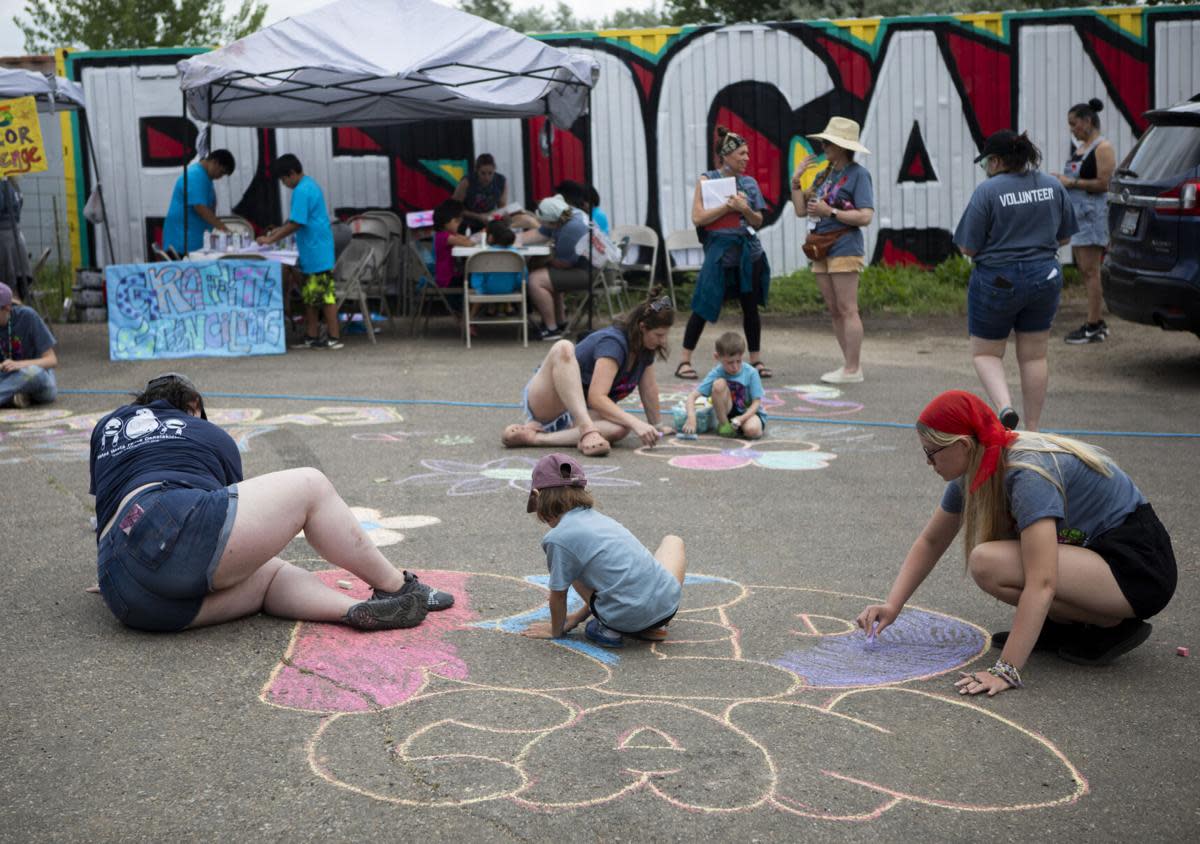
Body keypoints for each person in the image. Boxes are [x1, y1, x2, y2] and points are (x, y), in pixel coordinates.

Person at [857, 390, 1175, 697]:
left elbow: (1044, 581)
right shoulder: (979, 462)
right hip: (1097, 558)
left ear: (963, 445)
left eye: (931, 452)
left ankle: (1111, 624)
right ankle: (1065, 626)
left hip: (1137, 567)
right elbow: (931, 541)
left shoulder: (1027, 475)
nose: (928, 462)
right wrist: (893, 605)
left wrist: (1006, 669)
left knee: (987, 561)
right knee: (990, 561)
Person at [89, 372, 455, 633]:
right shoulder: (206, 432)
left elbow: (105, 507)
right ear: (193, 405)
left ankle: (356, 611)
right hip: (171, 527)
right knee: (311, 486)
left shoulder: (106, 429)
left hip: (126, 593)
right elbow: (227, 524)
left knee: (271, 577)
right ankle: (396, 586)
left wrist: (123, 568)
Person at [954, 130, 1078, 432]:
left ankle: (1005, 409)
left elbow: (968, 247)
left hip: (998, 279)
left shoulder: (988, 191)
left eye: (985, 163)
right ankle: (1033, 429)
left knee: (986, 352)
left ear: (996, 161)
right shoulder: (1052, 185)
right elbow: (1064, 236)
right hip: (1045, 276)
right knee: (1035, 355)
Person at [520, 452, 686, 648]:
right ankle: (650, 626)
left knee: (570, 566)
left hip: (623, 617)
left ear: (537, 497)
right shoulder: (600, 520)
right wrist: (577, 618)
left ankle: (610, 629)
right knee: (673, 541)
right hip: (667, 607)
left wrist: (555, 630)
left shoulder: (557, 539)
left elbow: (559, 594)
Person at [501, 290, 676, 457]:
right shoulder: (614, 344)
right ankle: (585, 430)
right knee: (563, 347)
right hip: (550, 400)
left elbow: (649, 389)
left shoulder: (645, 347)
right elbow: (597, 398)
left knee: (621, 427)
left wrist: (656, 425)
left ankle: (536, 438)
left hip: (579, 413)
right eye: (659, 335)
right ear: (642, 327)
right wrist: (636, 422)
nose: (663, 341)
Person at [675, 126, 772, 382]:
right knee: (703, 304)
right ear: (726, 156)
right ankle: (684, 360)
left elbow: (758, 220)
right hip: (719, 255)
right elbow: (698, 217)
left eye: (747, 153)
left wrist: (745, 209)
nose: (746, 158)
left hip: (748, 254)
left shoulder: (750, 183)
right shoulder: (707, 180)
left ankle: (756, 359)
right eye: (741, 153)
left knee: (750, 307)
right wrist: (727, 206)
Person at [790, 117, 875, 385]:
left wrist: (832, 212)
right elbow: (801, 210)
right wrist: (796, 183)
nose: (824, 145)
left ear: (842, 146)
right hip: (821, 246)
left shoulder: (859, 175)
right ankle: (847, 364)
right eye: (824, 141)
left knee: (848, 308)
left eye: (829, 142)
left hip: (844, 245)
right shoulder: (824, 172)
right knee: (834, 308)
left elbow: (865, 216)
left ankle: (853, 368)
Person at [257, 154, 343, 350]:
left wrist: (271, 239)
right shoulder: (307, 185)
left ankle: (333, 336)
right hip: (313, 249)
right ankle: (311, 335)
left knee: (325, 295)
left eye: (283, 179)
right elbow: (293, 220)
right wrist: (277, 232)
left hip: (317, 250)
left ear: (292, 174)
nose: (284, 183)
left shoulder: (301, 191)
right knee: (311, 296)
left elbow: (296, 223)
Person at [1051, 98, 1117, 345]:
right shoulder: (1082, 148)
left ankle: (1094, 325)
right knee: (1084, 270)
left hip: (1091, 217)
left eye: (1074, 124)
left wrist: (1071, 183)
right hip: (1077, 218)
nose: (1072, 129)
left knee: (1091, 271)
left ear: (1088, 121)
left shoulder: (1102, 148)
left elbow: (1105, 183)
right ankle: (1095, 321)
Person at [521, 194, 593, 341]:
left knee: (536, 280)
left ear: (552, 220)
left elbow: (563, 264)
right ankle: (560, 322)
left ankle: (551, 330)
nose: (541, 223)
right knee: (546, 275)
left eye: (543, 221)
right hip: (587, 267)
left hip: (589, 273)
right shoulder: (568, 214)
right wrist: (511, 239)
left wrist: (542, 260)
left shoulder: (571, 228)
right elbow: (539, 233)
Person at [683, 331, 765, 439]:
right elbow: (692, 396)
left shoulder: (751, 373)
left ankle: (743, 428)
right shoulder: (717, 372)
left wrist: (742, 419)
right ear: (717, 357)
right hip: (729, 415)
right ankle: (724, 425)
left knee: (752, 431)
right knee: (718, 384)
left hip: (749, 414)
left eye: (738, 361)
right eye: (730, 362)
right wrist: (691, 419)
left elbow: (756, 403)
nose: (735, 367)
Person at [161, 150, 236, 257]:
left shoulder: (205, 177)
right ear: (215, 162)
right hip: (182, 243)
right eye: (221, 172)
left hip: (192, 240)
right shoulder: (195, 176)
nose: (220, 177)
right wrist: (224, 229)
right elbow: (201, 208)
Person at [0, 281, 57, 408]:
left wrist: (18, 365)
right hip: (7, 378)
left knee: (33, 373)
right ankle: (15, 396)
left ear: (7, 307)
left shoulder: (27, 316)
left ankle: (10, 395)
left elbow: (52, 360)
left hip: (36, 378)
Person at [452, 153, 508, 230]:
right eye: (483, 173)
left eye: (490, 173)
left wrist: (496, 215)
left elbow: (502, 206)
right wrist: (478, 216)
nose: (487, 178)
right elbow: (454, 208)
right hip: (467, 222)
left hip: (488, 220)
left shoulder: (501, 181)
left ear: (494, 170)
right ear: (476, 170)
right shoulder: (467, 181)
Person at [469, 219, 523, 295]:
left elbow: (476, 281)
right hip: (510, 289)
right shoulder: (516, 253)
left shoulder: (484, 255)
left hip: (487, 290)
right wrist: (515, 287)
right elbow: (522, 277)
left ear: (490, 237)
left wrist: (480, 290)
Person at [0, 178, 32, 301]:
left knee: (7, 289)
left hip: (4, 242)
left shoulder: (3, 184)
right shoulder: (13, 184)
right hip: (16, 238)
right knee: (14, 288)